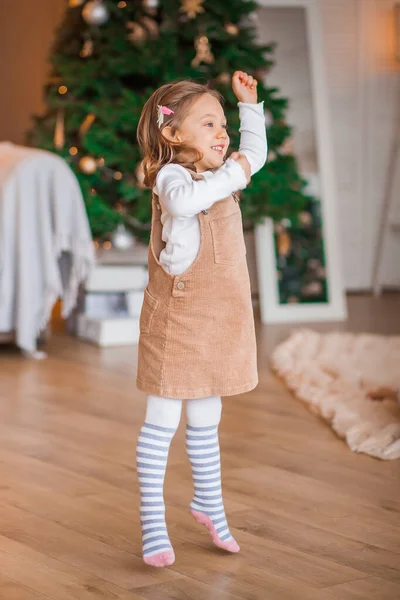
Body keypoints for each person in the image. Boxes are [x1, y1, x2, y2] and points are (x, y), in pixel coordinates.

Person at [135, 71, 267, 567]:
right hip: (179, 319)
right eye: (208, 123)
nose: (222, 133)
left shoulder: (221, 171)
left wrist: (249, 108)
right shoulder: (173, 177)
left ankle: (208, 501)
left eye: (223, 125)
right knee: (163, 419)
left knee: (208, 416)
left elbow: (254, 153)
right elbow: (186, 202)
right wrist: (231, 173)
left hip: (221, 316)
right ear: (173, 135)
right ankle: (152, 519)